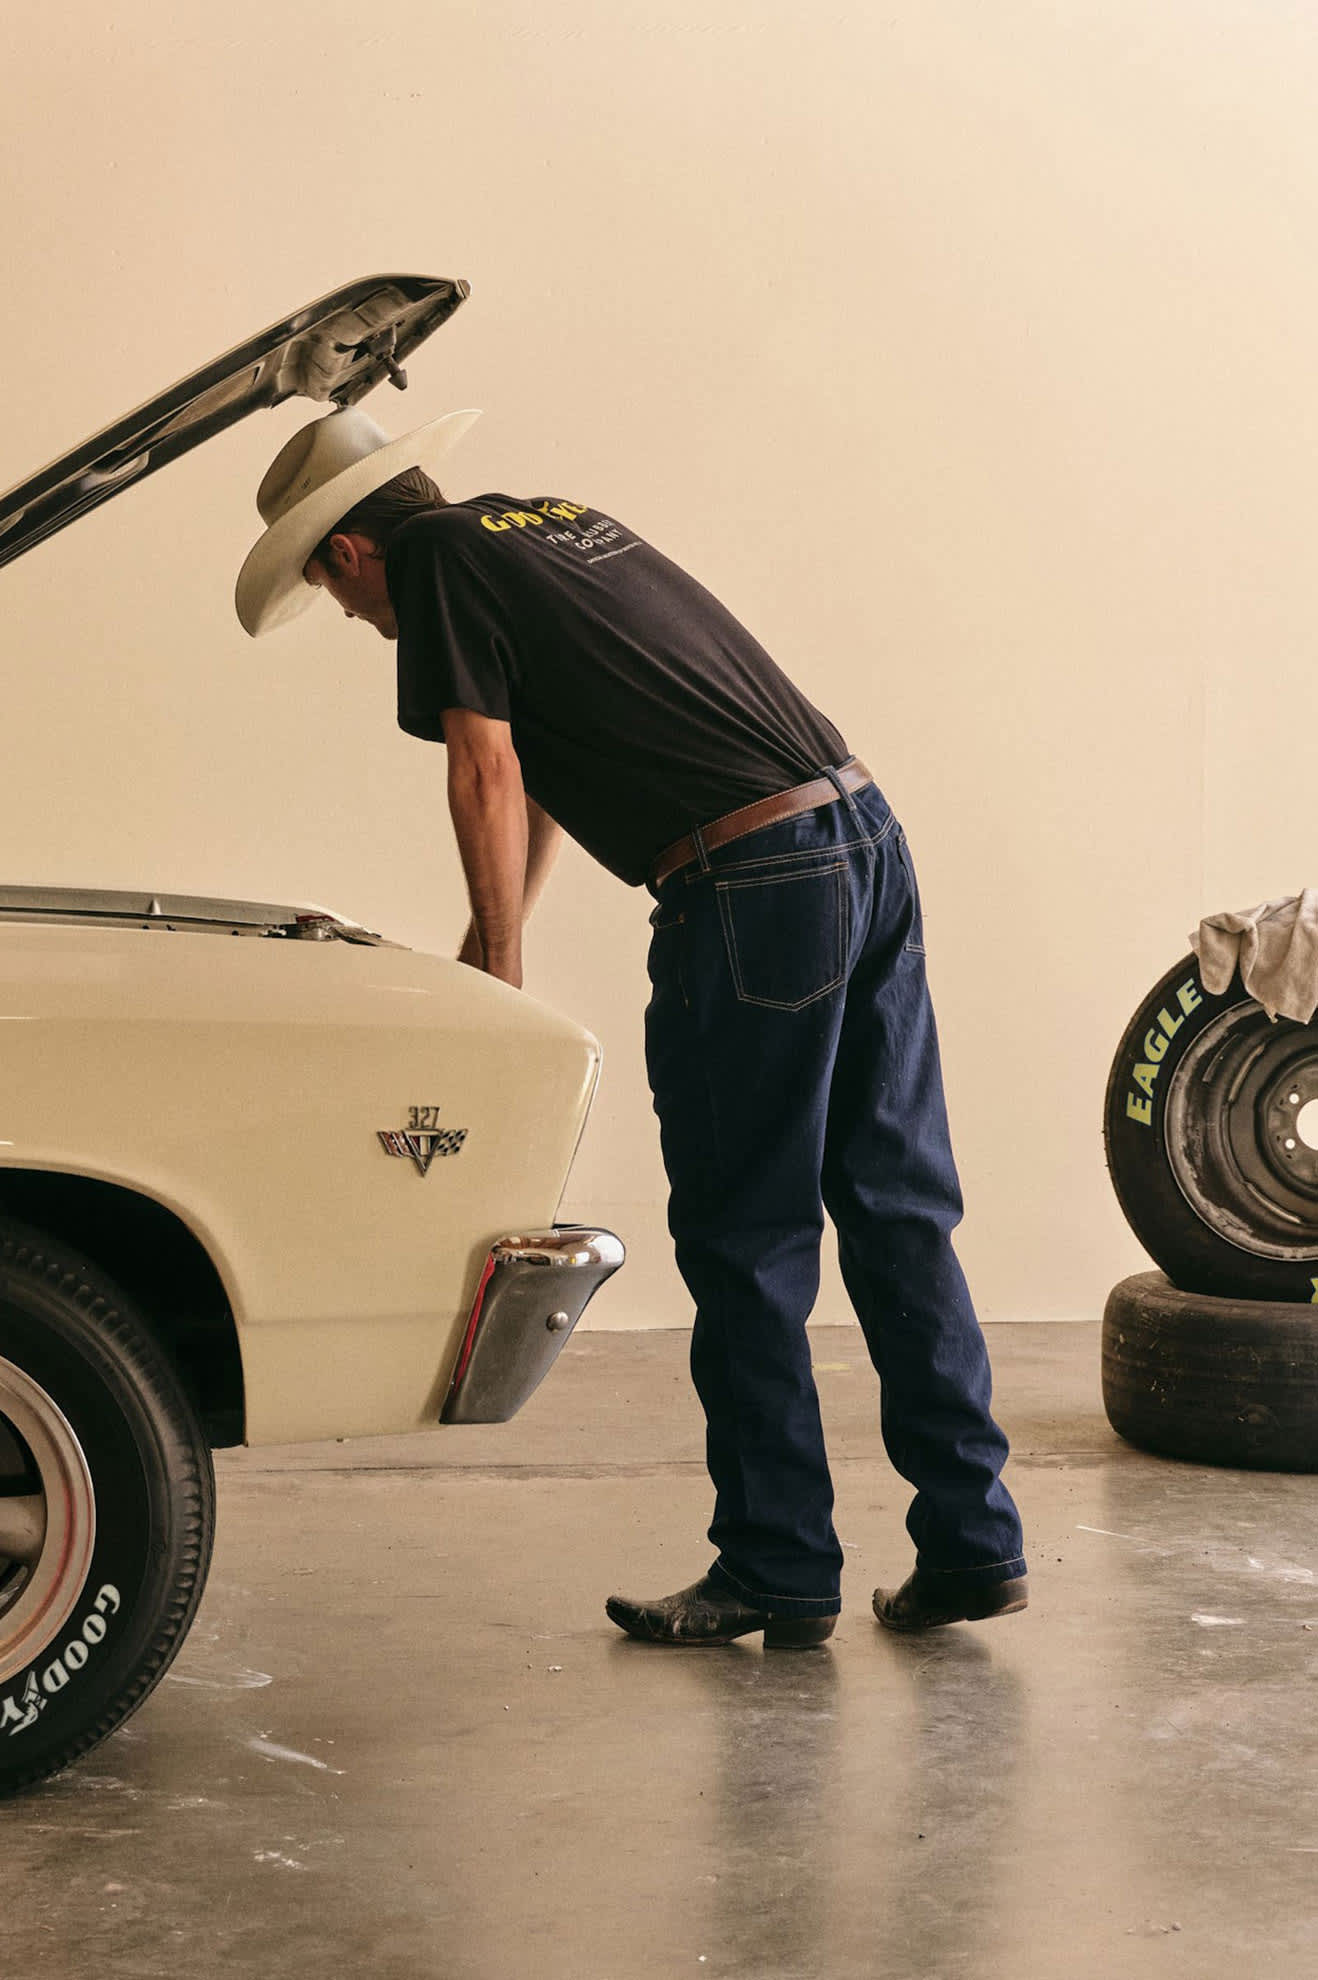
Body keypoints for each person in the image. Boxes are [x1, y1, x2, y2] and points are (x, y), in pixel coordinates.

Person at [237, 404, 1027, 1644]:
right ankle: (975, 1542)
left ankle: (776, 1567)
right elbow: (549, 759)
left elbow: (484, 765)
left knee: (745, 1233)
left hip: (754, 889)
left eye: (335, 596)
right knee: (896, 1205)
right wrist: (505, 938)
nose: (357, 621)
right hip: (862, 838)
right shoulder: (538, 527)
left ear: (345, 552)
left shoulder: (435, 557)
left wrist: (495, 970)